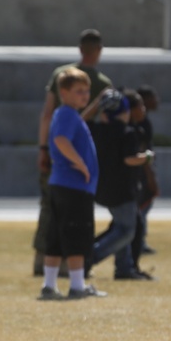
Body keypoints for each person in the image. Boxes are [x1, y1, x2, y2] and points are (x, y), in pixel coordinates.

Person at [33, 29, 112, 276]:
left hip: (59, 159)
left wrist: (43, 148)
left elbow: (47, 113)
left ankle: (41, 262)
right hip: (75, 165)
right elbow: (91, 121)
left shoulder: (61, 75)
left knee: (50, 211)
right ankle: (73, 270)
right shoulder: (102, 83)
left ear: (80, 49)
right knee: (77, 223)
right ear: (99, 51)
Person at [38, 68, 105, 300]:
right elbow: (60, 140)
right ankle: (77, 286)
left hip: (62, 185)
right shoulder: (67, 113)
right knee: (77, 235)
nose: (84, 95)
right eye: (79, 91)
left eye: (86, 91)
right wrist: (81, 164)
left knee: (56, 236)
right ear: (63, 93)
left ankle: (49, 285)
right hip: (73, 187)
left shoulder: (65, 114)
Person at [91, 90, 153, 280]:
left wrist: (97, 105)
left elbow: (82, 121)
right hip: (122, 190)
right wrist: (146, 157)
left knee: (121, 226)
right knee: (126, 231)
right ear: (125, 112)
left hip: (101, 187)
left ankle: (124, 267)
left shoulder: (97, 130)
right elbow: (129, 159)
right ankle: (88, 257)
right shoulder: (127, 133)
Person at [134, 85, 160, 257]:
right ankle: (137, 241)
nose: (157, 100)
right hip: (140, 173)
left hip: (141, 171)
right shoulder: (142, 124)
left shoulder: (144, 122)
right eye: (152, 97)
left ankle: (139, 240)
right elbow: (142, 152)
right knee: (141, 207)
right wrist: (150, 177)